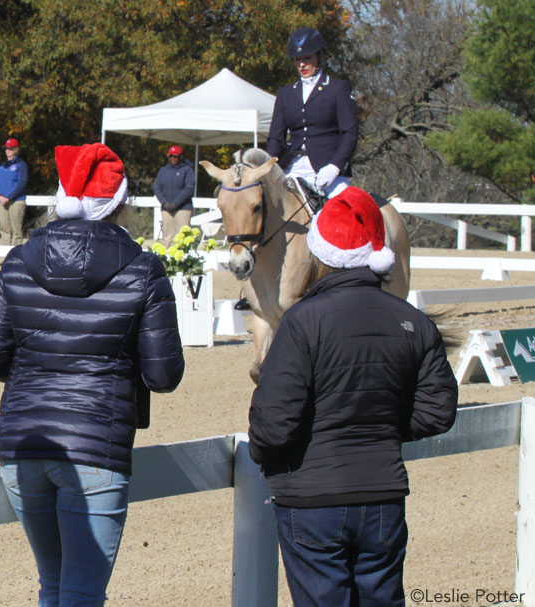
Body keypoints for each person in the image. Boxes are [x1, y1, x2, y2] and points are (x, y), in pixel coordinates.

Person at [0, 142, 185, 607]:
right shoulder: (145, 270)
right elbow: (163, 374)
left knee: (54, 586)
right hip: (97, 445)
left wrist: (37, 371)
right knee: (82, 593)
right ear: (120, 204)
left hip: (24, 442)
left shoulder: (17, 261)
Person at [248, 187, 458, 607]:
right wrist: (378, 425)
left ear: (321, 252)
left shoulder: (300, 322)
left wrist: (280, 455)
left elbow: (273, 425)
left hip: (311, 497)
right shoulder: (414, 322)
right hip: (383, 495)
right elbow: (437, 412)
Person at [265, 27, 358, 199]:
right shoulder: (286, 94)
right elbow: (276, 138)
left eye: (307, 58)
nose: (302, 64)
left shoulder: (338, 89)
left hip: (328, 169)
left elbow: (350, 133)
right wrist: (267, 167)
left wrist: (335, 166)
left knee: (348, 212)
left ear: (319, 56)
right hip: (292, 167)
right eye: (297, 59)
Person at [153, 144, 195, 246]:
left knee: (182, 236)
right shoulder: (163, 170)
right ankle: (167, 260)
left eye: (175, 156)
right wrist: (165, 203)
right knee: (168, 236)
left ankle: (183, 260)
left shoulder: (187, 170)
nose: (173, 158)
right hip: (166, 208)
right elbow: (157, 187)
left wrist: (176, 203)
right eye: (171, 156)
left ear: (180, 157)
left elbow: (189, 188)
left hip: (183, 208)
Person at [0, 136, 29, 245]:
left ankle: (16, 256)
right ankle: (4, 256)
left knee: (16, 231)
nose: (8, 151)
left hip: (16, 201)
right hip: (2, 201)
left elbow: (22, 183)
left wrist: (9, 197)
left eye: (11, 148)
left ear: (16, 149)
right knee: (4, 229)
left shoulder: (21, 165)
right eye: (6, 148)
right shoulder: (1, 166)